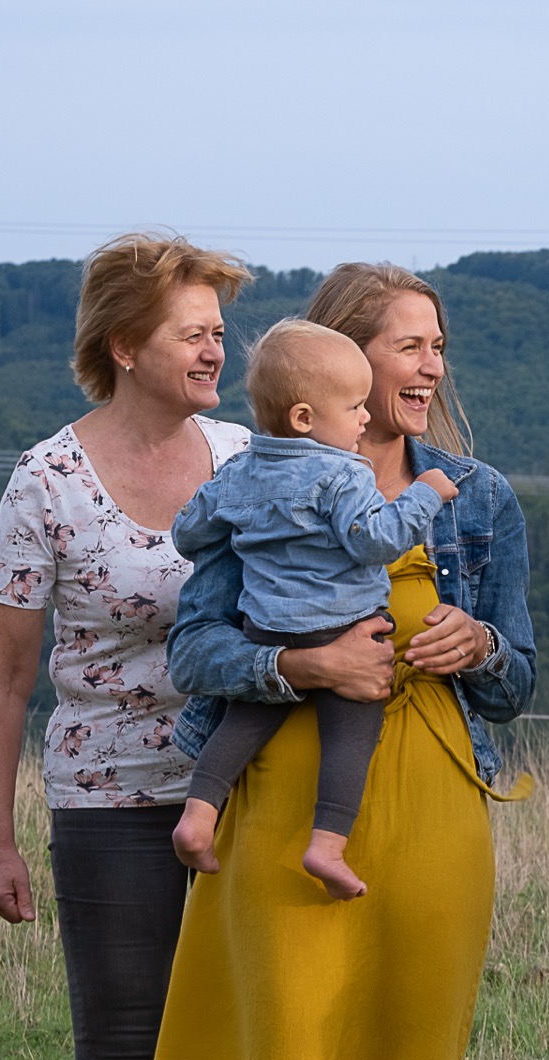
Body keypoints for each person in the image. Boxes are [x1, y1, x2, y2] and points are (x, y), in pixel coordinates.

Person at [134, 262, 536, 1060]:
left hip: (436, 813)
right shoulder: (259, 484)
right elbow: (195, 654)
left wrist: (480, 645)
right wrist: (302, 666)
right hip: (281, 810)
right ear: (341, 364)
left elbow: (517, 682)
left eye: (438, 347)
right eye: (409, 347)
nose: (431, 368)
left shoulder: (479, 497)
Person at [0, 233, 341, 1060]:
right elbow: (3, 675)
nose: (216, 348)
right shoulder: (46, 479)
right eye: (193, 332)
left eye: (220, 330)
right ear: (125, 345)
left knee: (278, 1059)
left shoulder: (248, 456)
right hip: (110, 805)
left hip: (255, 793)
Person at [170, 318, 459, 899]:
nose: (365, 418)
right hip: (342, 626)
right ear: (304, 418)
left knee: (243, 720)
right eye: (354, 407)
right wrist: (426, 492)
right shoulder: (342, 474)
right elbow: (376, 540)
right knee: (353, 728)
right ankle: (326, 845)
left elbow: (187, 532)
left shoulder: (239, 470)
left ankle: (197, 818)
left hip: (265, 631)